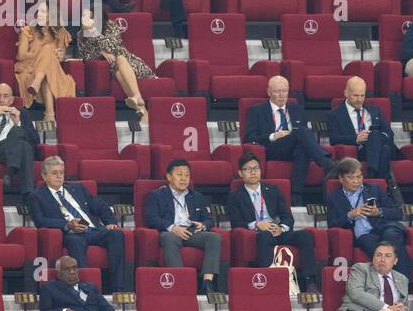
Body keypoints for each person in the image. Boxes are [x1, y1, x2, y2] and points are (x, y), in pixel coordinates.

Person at [28, 155, 128, 291]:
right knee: (76, 242)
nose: (59, 176)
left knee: (116, 235)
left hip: (92, 229)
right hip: (70, 233)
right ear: (44, 176)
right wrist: (67, 224)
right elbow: (41, 221)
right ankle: (86, 288)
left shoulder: (78, 189)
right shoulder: (37, 196)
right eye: (54, 173)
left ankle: (118, 288)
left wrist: (110, 222)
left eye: (62, 172)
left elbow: (100, 205)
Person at [227, 153, 322, 289]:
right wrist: (257, 224)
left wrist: (281, 228)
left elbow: (288, 217)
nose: (253, 172)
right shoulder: (235, 196)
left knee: (305, 235)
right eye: (248, 169)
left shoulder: (273, 190)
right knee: (264, 236)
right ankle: (268, 281)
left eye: (256, 168)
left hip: (277, 231)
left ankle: (310, 282)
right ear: (240, 173)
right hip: (257, 234)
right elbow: (235, 223)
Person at [242, 75, 338, 202]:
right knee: (301, 131)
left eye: (285, 91)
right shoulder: (257, 110)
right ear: (269, 92)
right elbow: (249, 138)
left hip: (293, 147)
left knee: (302, 146)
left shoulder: (297, 109)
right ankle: (326, 163)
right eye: (277, 91)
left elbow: (304, 138)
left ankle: (296, 194)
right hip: (272, 148)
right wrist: (272, 136)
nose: (282, 95)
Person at [143, 159, 222, 293]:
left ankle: (207, 282)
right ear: (169, 177)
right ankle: (180, 282)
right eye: (179, 174)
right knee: (168, 237)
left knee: (214, 237)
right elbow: (152, 218)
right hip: (171, 232)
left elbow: (209, 219)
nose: (184, 179)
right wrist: (172, 227)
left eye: (187, 175)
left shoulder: (196, 196)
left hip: (192, 232)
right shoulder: (157, 195)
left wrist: (202, 225)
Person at [328, 157, 413, 276]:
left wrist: (378, 212)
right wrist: (350, 215)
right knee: (378, 251)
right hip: (364, 235)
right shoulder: (334, 198)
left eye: (359, 177)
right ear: (341, 179)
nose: (356, 181)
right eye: (351, 178)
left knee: (390, 235)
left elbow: (397, 212)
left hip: (384, 227)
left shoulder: (374, 189)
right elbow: (332, 224)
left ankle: (408, 282)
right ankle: (389, 283)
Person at [75, 5, 152, 121]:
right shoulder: (81, 34)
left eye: (88, 17)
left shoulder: (110, 25)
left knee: (119, 59)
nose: (83, 20)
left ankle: (138, 99)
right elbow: (84, 56)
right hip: (113, 68)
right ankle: (143, 110)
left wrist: (95, 33)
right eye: (83, 16)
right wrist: (101, 52)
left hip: (132, 64)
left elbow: (114, 46)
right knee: (118, 73)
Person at [328, 76, 399, 186]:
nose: (359, 99)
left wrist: (375, 137)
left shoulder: (374, 110)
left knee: (375, 135)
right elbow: (334, 139)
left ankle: (371, 174)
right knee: (384, 150)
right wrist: (356, 139)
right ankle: (380, 185)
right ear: (346, 93)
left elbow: (389, 134)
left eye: (362, 95)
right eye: (356, 95)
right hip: (360, 151)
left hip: (380, 145)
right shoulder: (335, 114)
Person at [15, 0, 77, 123]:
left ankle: (47, 108)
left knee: (47, 66)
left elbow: (61, 56)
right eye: (38, 11)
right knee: (47, 51)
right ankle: (49, 114)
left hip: (50, 71)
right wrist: (44, 54)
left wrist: (59, 55)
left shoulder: (61, 32)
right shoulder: (28, 30)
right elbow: (21, 55)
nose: (39, 14)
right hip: (29, 69)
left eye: (43, 11)